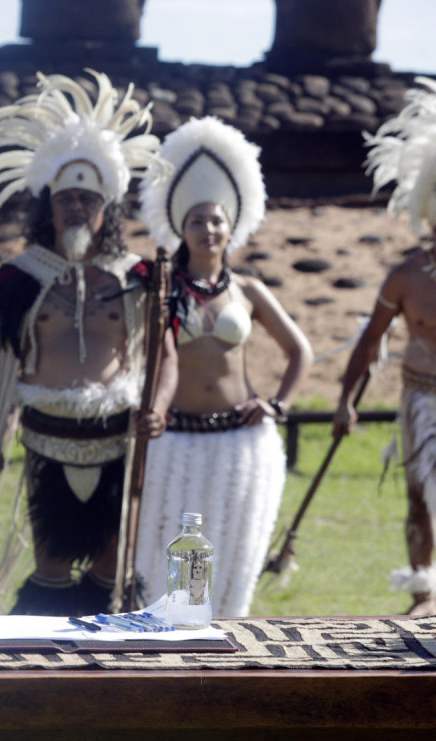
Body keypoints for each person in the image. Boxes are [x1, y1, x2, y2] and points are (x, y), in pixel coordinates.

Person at [0, 71, 177, 616]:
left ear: (107, 209)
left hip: (119, 438)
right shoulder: (20, 280)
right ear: (47, 206)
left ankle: (111, 671)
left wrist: (158, 408)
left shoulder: (138, 277)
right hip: (46, 438)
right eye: (66, 198)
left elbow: (166, 355)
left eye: (88, 200)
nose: (77, 209)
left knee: (110, 567)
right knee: (50, 567)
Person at [133, 117, 311, 616]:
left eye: (216, 221)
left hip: (241, 440)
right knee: (166, 553)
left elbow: (301, 352)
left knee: (231, 556)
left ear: (231, 226)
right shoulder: (162, 288)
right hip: (175, 442)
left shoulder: (249, 290)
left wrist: (278, 404)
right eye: (197, 221)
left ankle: (225, 643)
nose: (208, 230)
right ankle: (165, 643)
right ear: (180, 228)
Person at [335, 77, 436, 616]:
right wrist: (346, 399)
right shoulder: (408, 275)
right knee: (420, 498)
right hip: (421, 399)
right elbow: (371, 341)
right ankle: (424, 594)